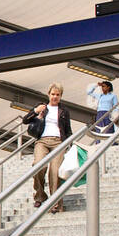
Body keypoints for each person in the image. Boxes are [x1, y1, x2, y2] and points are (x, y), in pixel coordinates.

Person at [25, 84, 73, 212]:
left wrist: (70, 145)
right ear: (48, 94)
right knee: (38, 165)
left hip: (58, 142)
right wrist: (35, 111)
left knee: (55, 171)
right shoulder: (42, 107)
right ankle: (40, 196)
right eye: (53, 94)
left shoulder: (64, 111)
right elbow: (26, 120)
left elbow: (68, 130)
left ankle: (55, 202)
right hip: (42, 141)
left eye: (58, 95)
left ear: (60, 96)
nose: (55, 97)